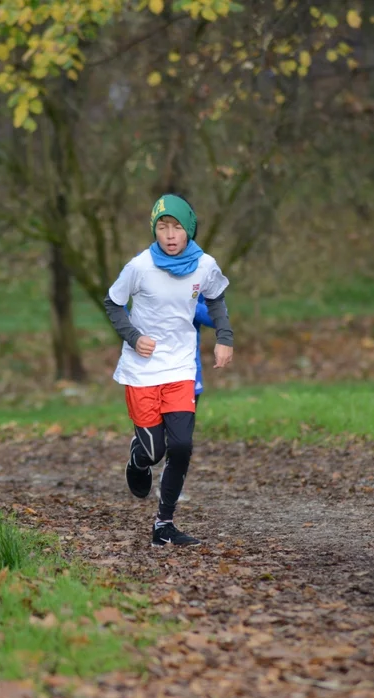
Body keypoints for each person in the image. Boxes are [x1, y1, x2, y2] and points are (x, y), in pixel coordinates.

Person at [103, 193, 234, 547]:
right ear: (155, 231)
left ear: (188, 229)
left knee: (181, 446)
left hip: (179, 367)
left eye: (177, 227)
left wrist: (224, 337)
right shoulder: (139, 267)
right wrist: (133, 336)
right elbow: (113, 303)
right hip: (142, 371)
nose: (170, 234)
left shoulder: (204, 265)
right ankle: (138, 458)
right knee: (154, 451)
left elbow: (216, 298)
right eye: (163, 227)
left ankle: (164, 525)